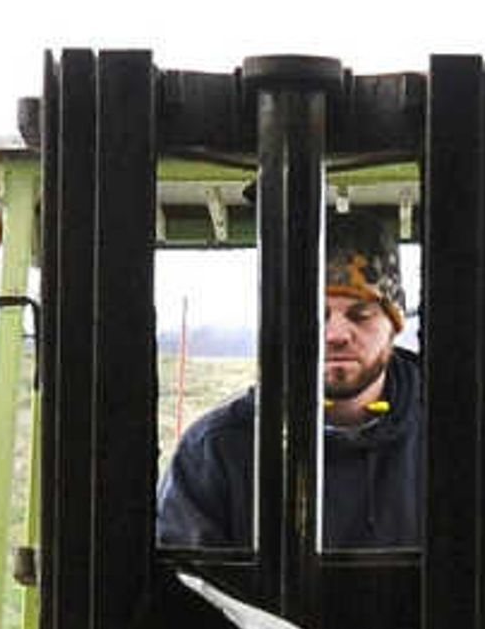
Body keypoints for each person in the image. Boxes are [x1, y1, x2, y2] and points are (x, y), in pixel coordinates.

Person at [155, 214, 425, 555]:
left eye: (361, 314)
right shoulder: (214, 454)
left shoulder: (451, 446)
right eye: (317, 314)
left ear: (394, 323)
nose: (337, 335)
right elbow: (180, 592)